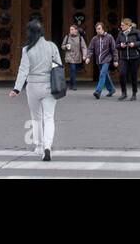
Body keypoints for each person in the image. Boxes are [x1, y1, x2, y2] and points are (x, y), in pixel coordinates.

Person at [9, 19, 61, 161]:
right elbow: (58, 66)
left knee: (36, 117)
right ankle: (47, 147)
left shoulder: (27, 49)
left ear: (30, 33)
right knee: (49, 117)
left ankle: (38, 146)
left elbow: (23, 70)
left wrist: (16, 89)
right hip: (49, 86)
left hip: (32, 86)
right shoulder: (52, 46)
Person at [115, 18, 140, 101]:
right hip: (123, 57)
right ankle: (124, 93)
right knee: (122, 73)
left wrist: (134, 44)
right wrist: (121, 45)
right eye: (121, 25)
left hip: (135, 58)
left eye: (122, 25)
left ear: (128, 25)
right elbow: (116, 45)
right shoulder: (120, 34)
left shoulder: (136, 32)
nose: (121, 26)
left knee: (133, 75)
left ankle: (134, 93)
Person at [88, 21, 118, 100]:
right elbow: (90, 49)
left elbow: (114, 49)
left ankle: (98, 92)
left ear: (103, 29)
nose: (98, 30)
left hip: (107, 59)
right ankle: (111, 89)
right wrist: (88, 57)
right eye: (96, 29)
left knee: (102, 74)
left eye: (99, 29)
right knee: (105, 75)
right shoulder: (94, 39)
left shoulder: (109, 37)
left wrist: (115, 60)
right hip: (98, 60)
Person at [62, 24, 89, 91]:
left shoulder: (80, 38)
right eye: (70, 29)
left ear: (76, 30)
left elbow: (84, 47)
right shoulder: (67, 37)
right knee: (73, 69)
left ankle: (71, 83)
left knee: (73, 71)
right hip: (69, 56)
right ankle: (74, 85)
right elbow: (62, 46)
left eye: (72, 29)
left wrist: (84, 55)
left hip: (77, 56)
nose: (70, 31)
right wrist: (65, 46)